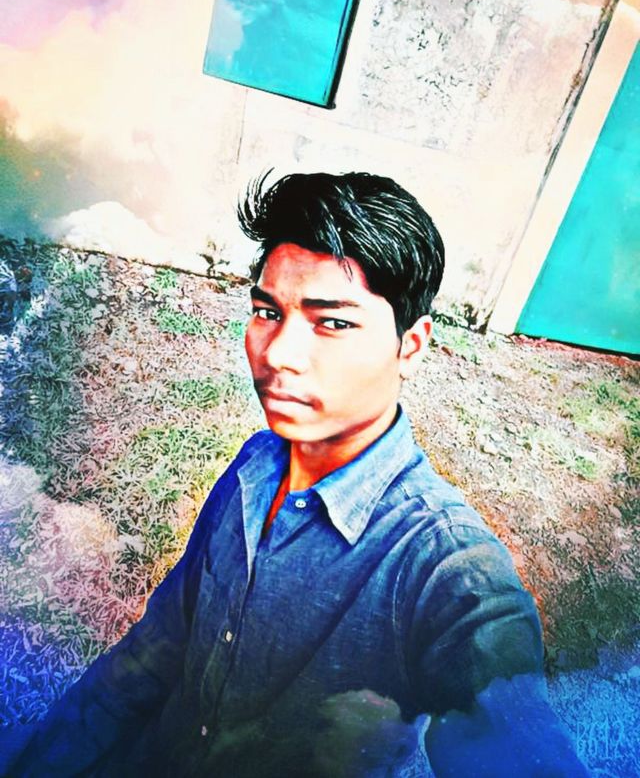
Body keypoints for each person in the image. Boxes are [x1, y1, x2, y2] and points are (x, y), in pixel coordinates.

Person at [3, 172, 586, 777]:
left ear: (410, 347)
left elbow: (510, 731)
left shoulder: (448, 572)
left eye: (332, 322)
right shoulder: (256, 464)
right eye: (267, 311)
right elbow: (158, 646)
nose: (277, 353)